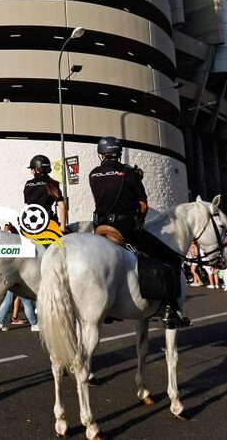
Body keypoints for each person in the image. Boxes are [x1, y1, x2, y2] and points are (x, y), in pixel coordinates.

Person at [88, 136, 189, 328]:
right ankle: (170, 308)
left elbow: (108, 193)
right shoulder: (129, 172)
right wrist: (139, 219)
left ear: (101, 155)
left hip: (100, 228)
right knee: (172, 259)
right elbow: (143, 205)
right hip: (125, 229)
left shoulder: (93, 174)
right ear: (118, 153)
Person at [24, 154, 67, 229]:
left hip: (30, 224)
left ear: (36, 170)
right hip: (48, 223)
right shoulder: (52, 183)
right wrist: (62, 227)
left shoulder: (28, 184)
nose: (32, 171)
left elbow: (29, 204)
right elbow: (62, 206)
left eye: (32, 169)